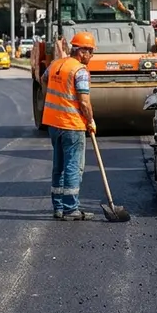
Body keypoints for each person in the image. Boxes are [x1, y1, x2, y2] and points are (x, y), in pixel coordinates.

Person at [42, 31, 98, 221]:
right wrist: (90, 120)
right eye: (90, 52)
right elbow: (84, 101)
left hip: (53, 123)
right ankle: (70, 209)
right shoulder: (79, 71)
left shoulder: (55, 64)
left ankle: (58, 207)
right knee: (73, 166)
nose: (91, 56)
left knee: (58, 166)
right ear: (81, 51)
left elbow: (43, 79)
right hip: (72, 125)